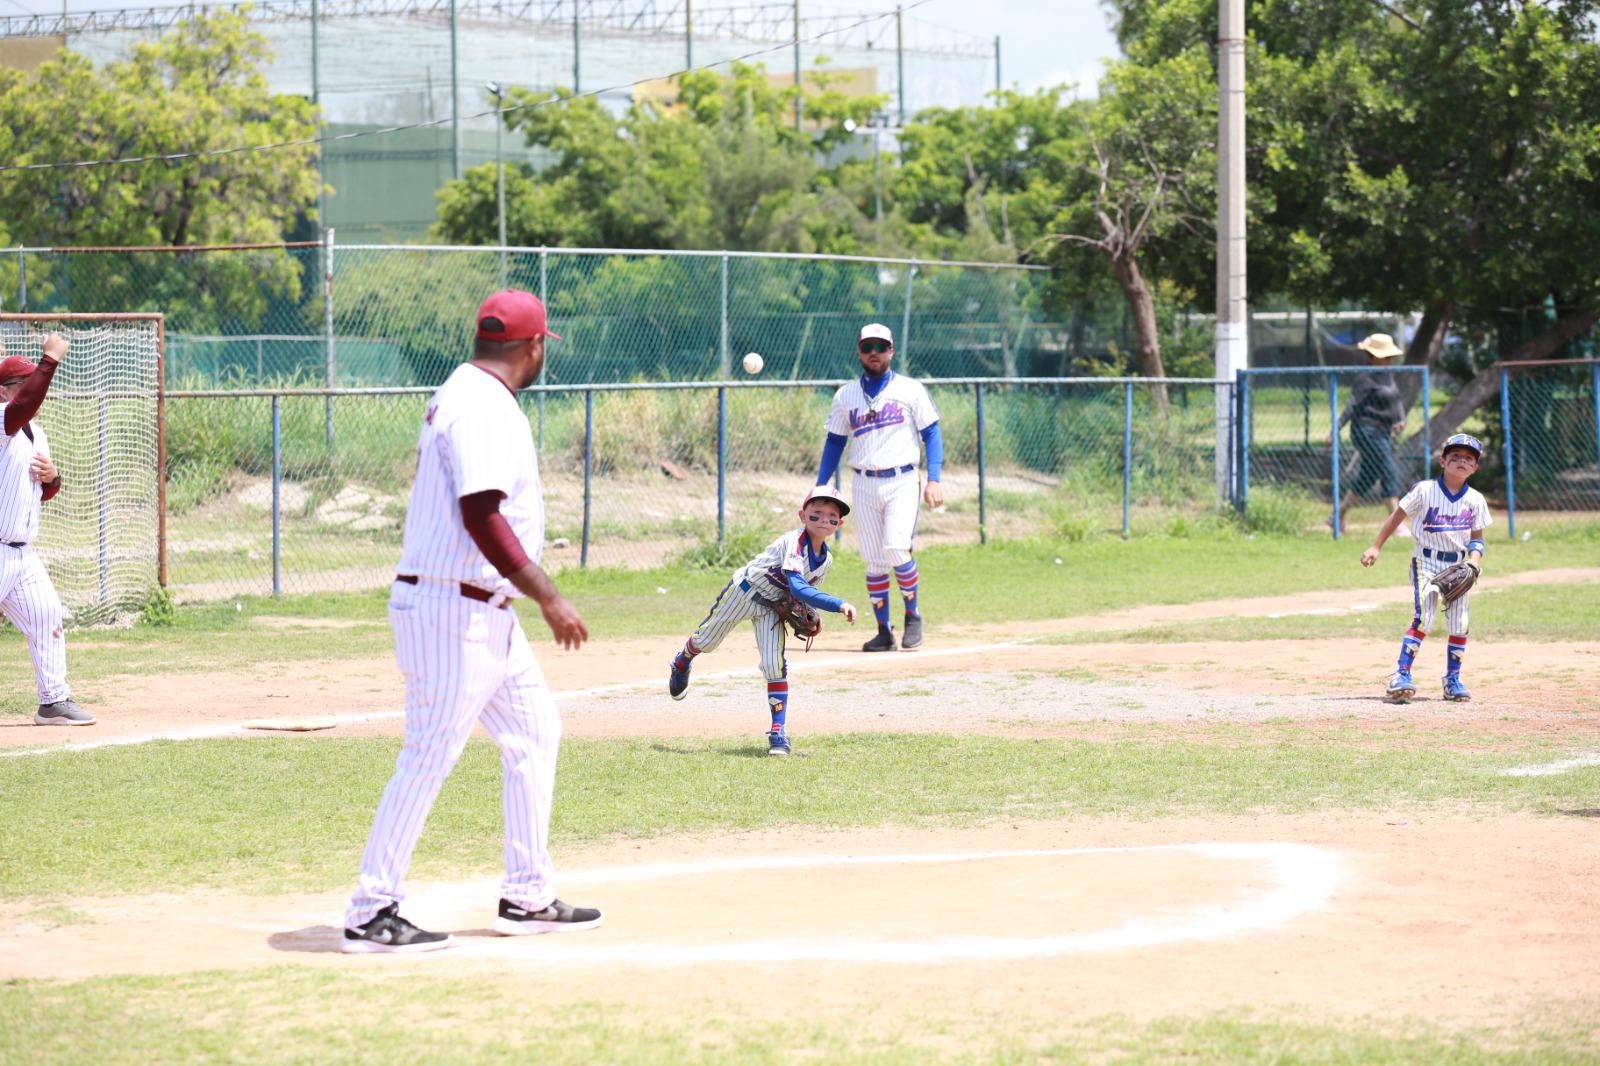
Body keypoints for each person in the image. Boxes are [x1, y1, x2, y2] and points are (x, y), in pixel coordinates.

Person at [342, 289, 600, 954]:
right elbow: (480, 512)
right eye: (545, 345)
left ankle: (527, 893)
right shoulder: (482, 404)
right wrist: (547, 595)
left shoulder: (468, 390)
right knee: (428, 755)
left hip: (480, 611)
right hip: (451, 610)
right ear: (533, 346)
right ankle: (372, 908)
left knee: (535, 732)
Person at [667, 485, 858, 756]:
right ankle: (682, 660)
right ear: (802, 516)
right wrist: (837, 604)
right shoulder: (794, 542)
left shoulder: (825, 560)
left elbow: (802, 595)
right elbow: (800, 587)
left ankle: (778, 730)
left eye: (830, 516)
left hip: (772, 608)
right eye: (816, 514)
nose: (823, 520)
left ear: (839, 523)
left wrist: (811, 614)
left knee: (773, 665)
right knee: (706, 641)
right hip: (745, 592)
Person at [815, 323, 943, 652]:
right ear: (859, 351)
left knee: (897, 548)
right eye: (868, 346)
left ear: (891, 351)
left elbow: (931, 432)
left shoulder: (910, 389)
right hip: (863, 483)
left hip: (902, 480)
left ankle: (913, 617)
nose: (875, 352)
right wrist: (821, 483)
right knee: (874, 560)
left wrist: (934, 478)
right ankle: (884, 631)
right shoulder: (846, 395)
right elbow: (835, 441)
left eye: (881, 346)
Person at [0, 334, 94, 727]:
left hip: (22, 554)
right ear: (5, 391)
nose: (35, 390)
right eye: (24, 383)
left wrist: (54, 478)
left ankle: (53, 701)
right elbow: (22, 405)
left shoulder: (36, 433)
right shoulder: (2, 418)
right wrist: (49, 361)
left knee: (46, 614)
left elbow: (42, 491)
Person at [1361, 433, 1492, 704]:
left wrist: (1474, 561)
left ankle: (1452, 679)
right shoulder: (1424, 490)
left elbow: (1477, 538)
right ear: (1442, 461)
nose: (1461, 461)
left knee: (1460, 623)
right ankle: (1401, 674)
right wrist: (1376, 546)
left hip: (1458, 564)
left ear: (1475, 468)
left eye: (1468, 459)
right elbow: (1397, 516)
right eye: (1454, 456)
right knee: (1424, 617)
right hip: (1425, 561)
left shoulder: (1476, 499)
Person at [1330, 332, 1410, 535]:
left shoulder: (1387, 375)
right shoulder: (1364, 378)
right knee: (1389, 470)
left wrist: (1401, 419)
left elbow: (1397, 399)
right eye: (1385, 356)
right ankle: (1396, 523)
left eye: (1390, 356)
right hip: (1365, 431)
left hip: (1383, 432)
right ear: (1372, 356)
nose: (1390, 359)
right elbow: (1352, 406)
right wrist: (1335, 429)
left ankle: (1337, 516)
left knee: (1368, 475)